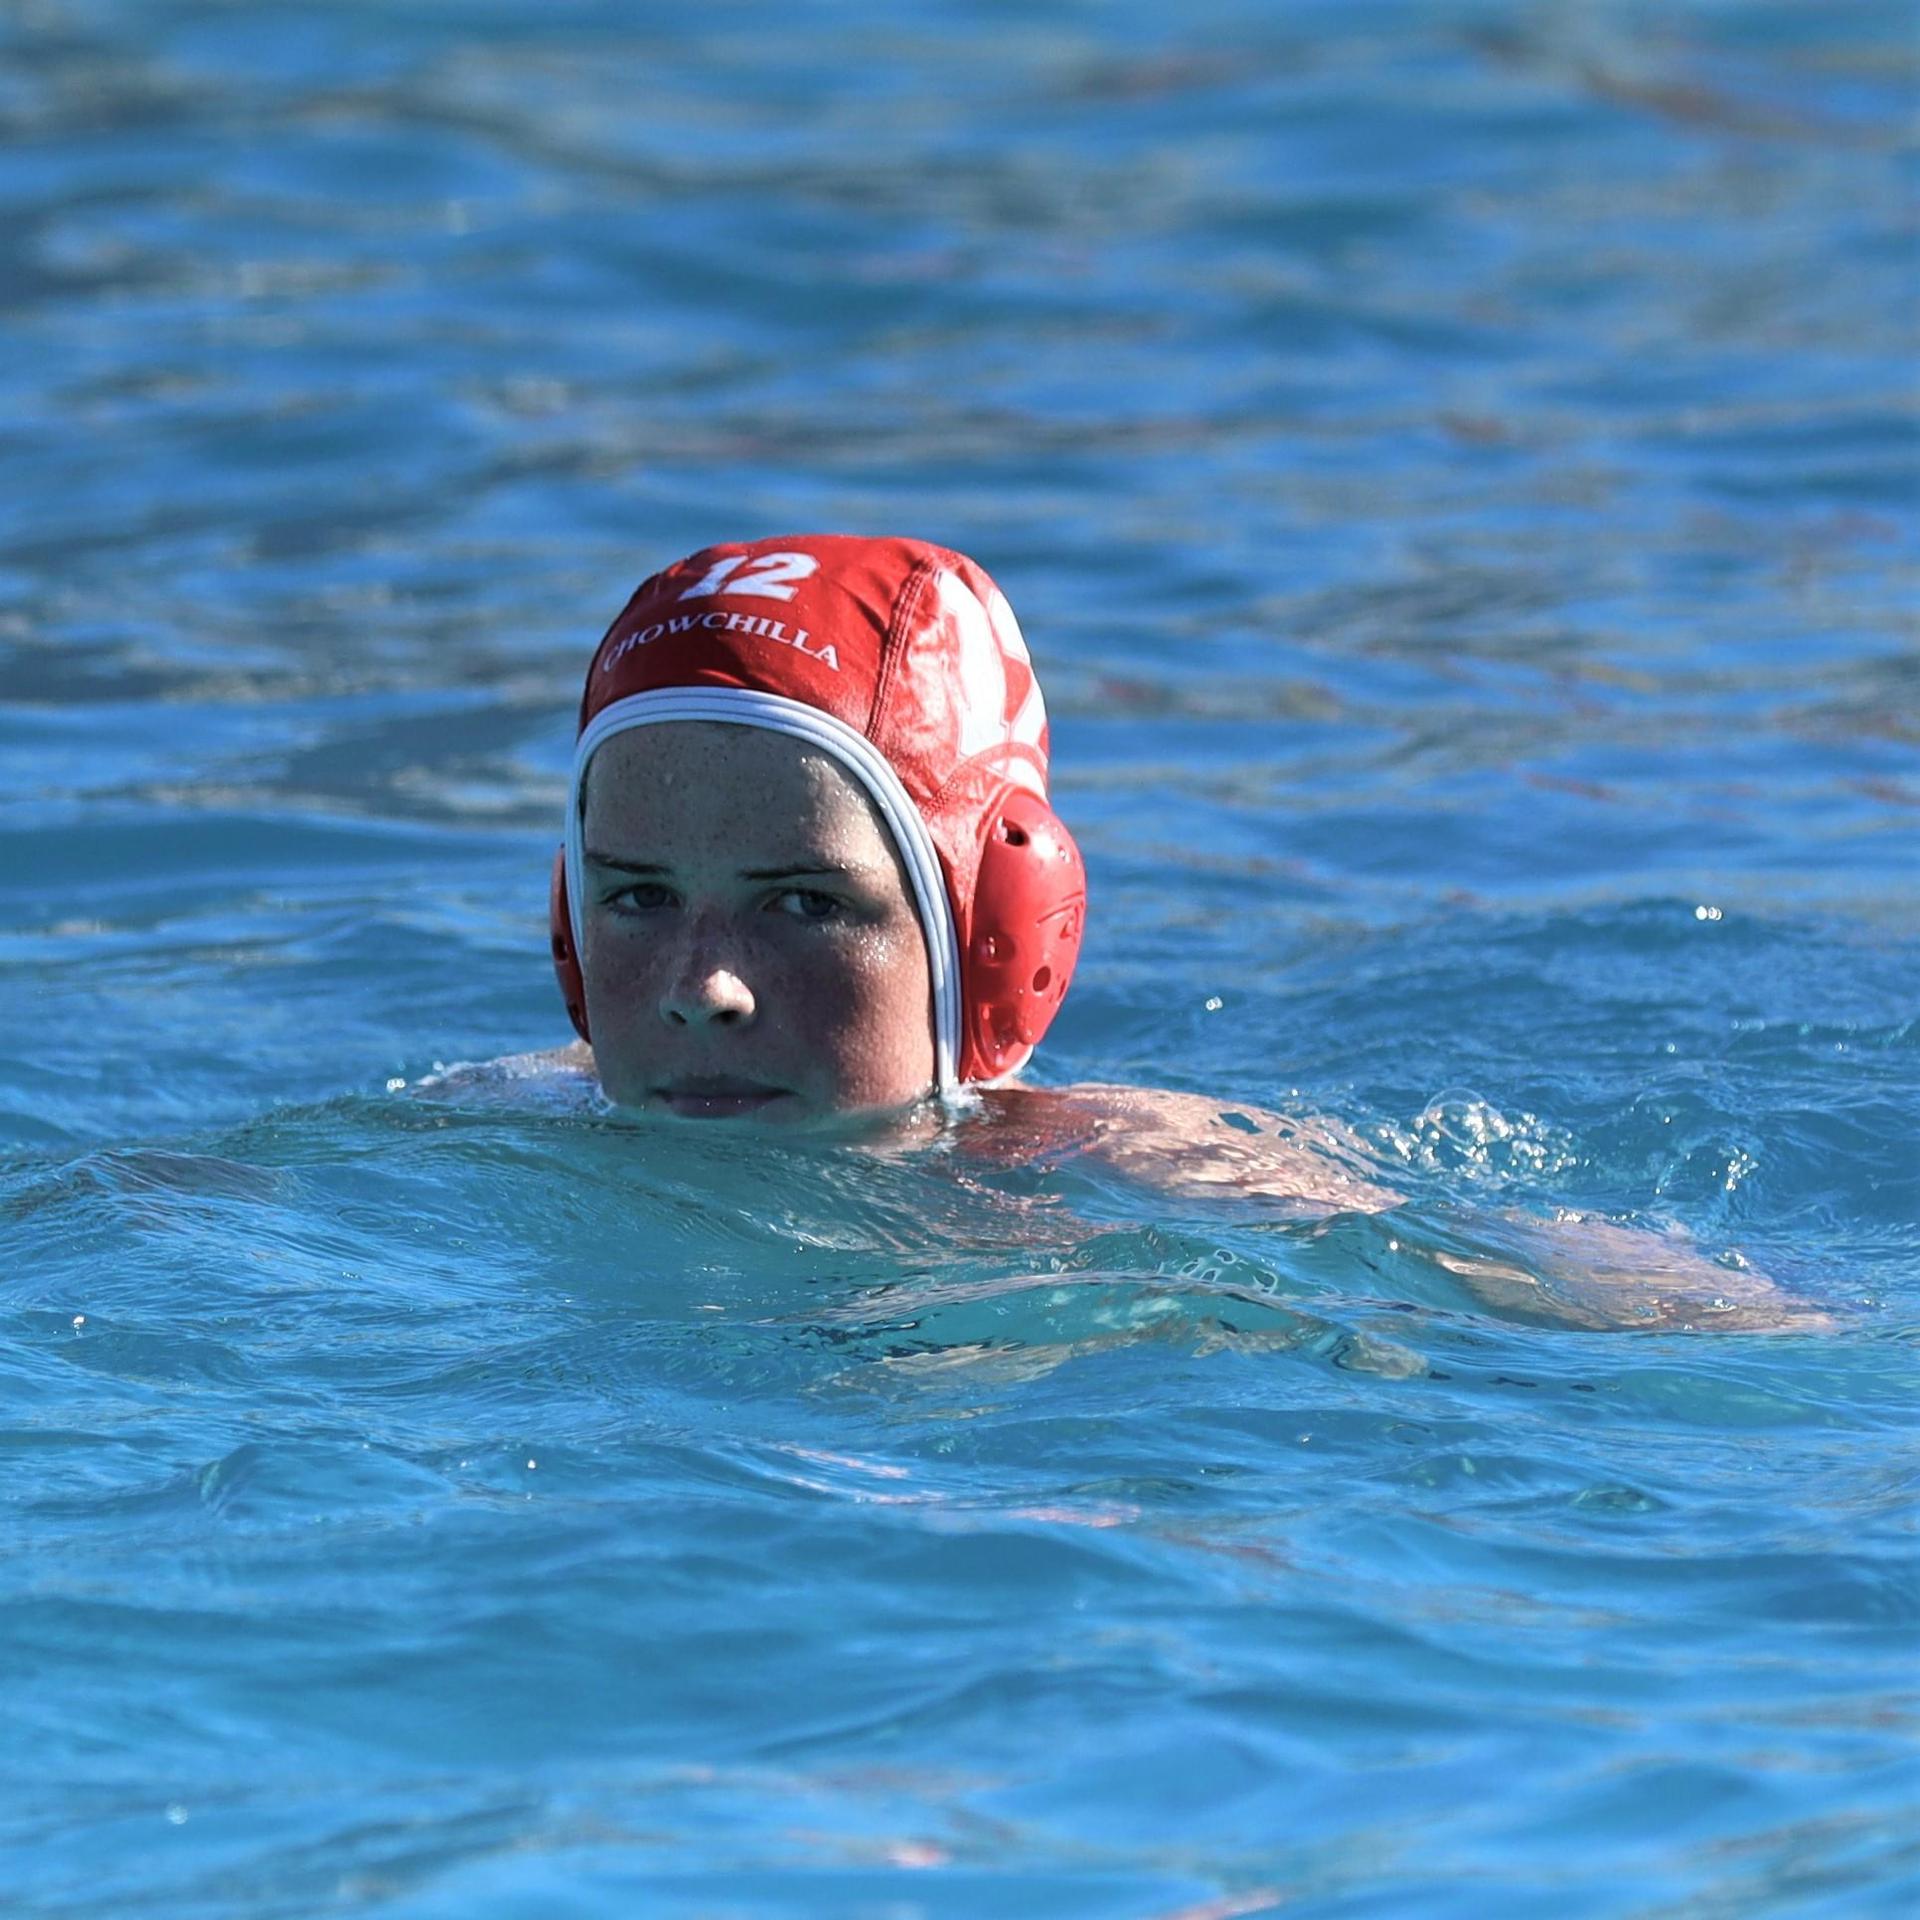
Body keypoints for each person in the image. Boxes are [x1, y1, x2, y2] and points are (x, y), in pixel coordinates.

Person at [472, 532, 1822, 1331]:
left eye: (805, 903)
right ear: (566, 925)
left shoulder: (1138, 1173)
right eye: (638, 896)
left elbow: (1689, 1322)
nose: (705, 985)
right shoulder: (495, 1128)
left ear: (994, 932)